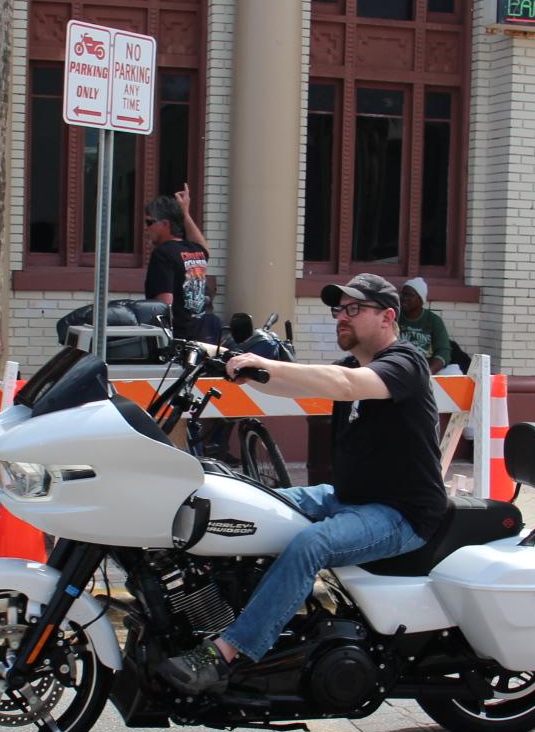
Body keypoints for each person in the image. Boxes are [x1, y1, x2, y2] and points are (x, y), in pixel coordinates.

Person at [156, 273, 442, 694]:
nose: (341, 317)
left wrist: (264, 364)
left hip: (401, 514)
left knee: (312, 544)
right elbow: (289, 383)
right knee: (245, 502)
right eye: (339, 309)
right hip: (345, 498)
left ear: (387, 316)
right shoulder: (353, 366)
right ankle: (214, 610)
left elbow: (344, 386)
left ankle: (228, 652)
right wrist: (212, 353)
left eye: (354, 309)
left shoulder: (405, 364)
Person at [142, 185, 214, 342]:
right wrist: (185, 213)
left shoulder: (162, 254)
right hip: (200, 339)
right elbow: (204, 248)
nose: (146, 228)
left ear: (165, 224)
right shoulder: (195, 250)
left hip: (177, 341)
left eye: (149, 222)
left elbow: (163, 306)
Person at [398, 277, 453, 374]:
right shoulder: (394, 316)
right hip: (398, 367)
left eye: (410, 295)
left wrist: (429, 372)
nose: (404, 298)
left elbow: (443, 351)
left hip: (425, 368)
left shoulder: (433, 320)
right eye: (403, 294)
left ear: (421, 299)